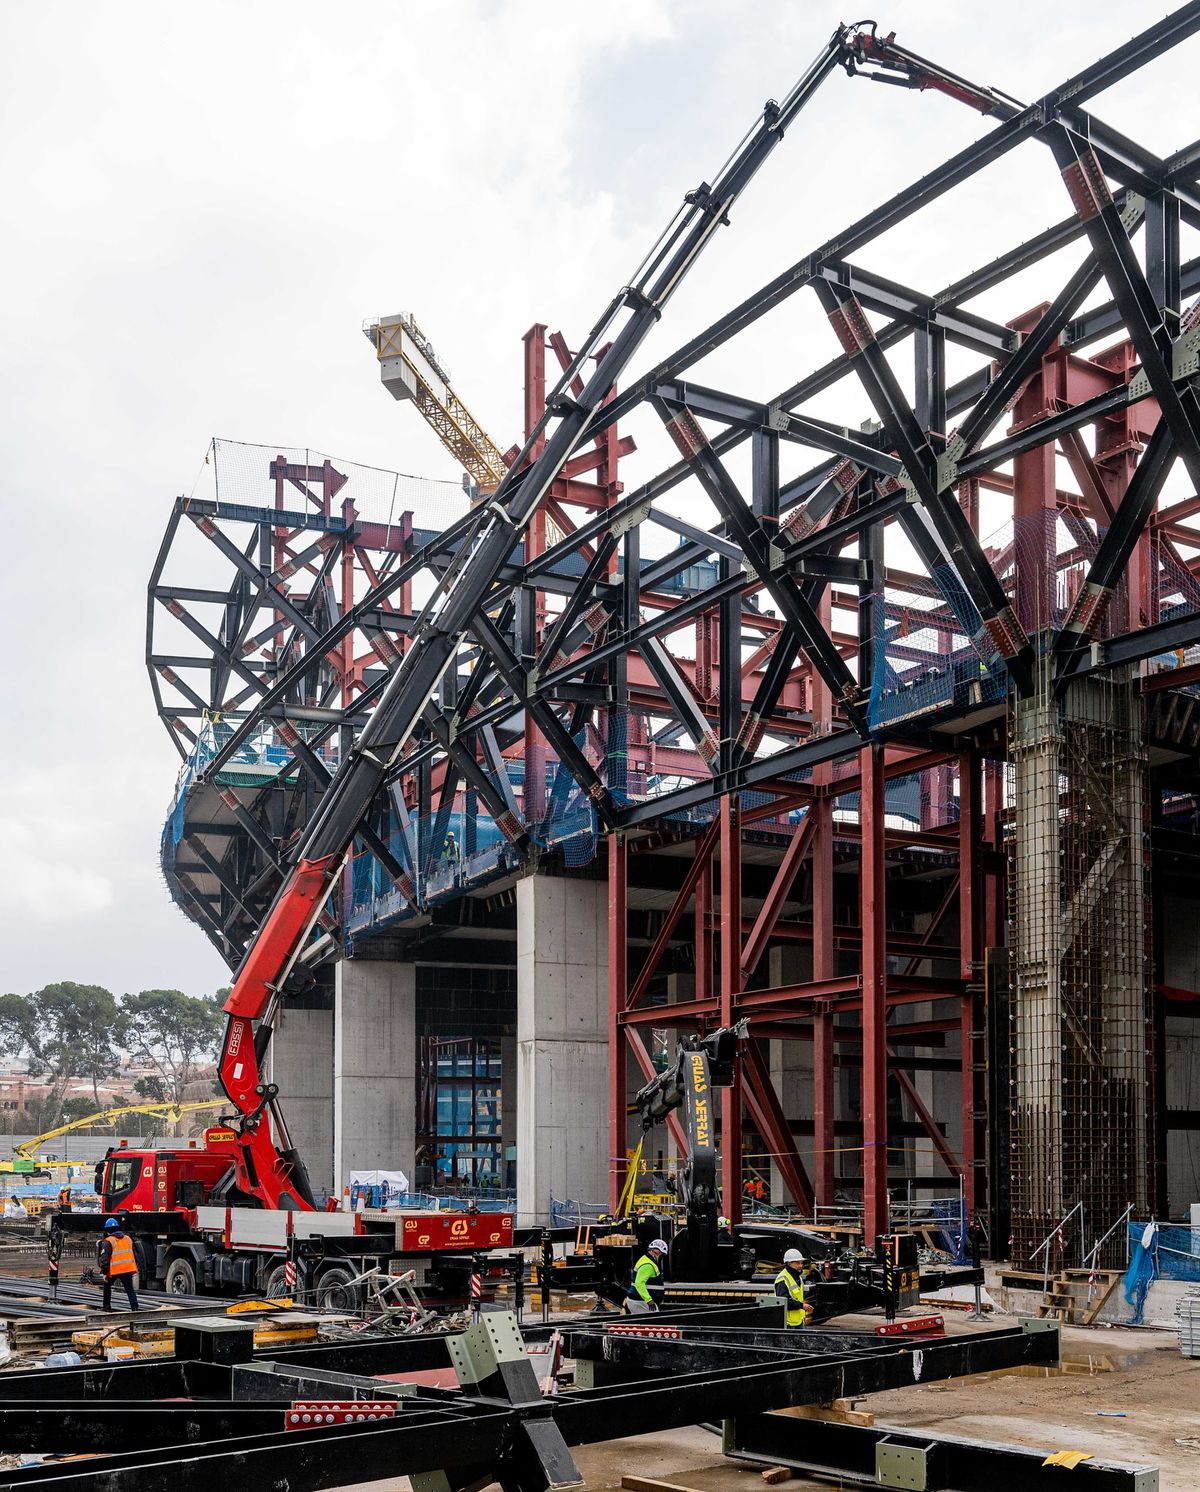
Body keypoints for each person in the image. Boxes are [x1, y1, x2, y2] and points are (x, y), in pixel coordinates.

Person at [99, 1218, 139, 1312]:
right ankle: (135, 1308)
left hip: (115, 1269)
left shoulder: (108, 1241)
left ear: (107, 1230)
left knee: (107, 1286)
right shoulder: (128, 1238)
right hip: (127, 1268)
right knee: (130, 1289)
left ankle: (106, 1306)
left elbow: (105, 1259)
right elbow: (134, 1254)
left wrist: (105, 1272)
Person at [624, 1237, 668, 1315]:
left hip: (639, 1300)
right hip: (641, 1301)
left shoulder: (646, 1260)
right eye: (661, 1255)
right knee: (653, 1323)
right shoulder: (648, 1265)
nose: (661, 1258)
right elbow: (639, 1283)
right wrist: (649, 1300)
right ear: (656, 1252)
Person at [774, 1247, 812, 1328]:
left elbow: (798, 1297)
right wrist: (801, 1305)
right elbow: (783, 1301)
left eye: (801, 1263)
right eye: (797, 1263)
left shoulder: (798, 1277)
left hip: (798, 1321)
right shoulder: (783, 1279)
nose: (801, 1265)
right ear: (788, 1263)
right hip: (788, 1323)